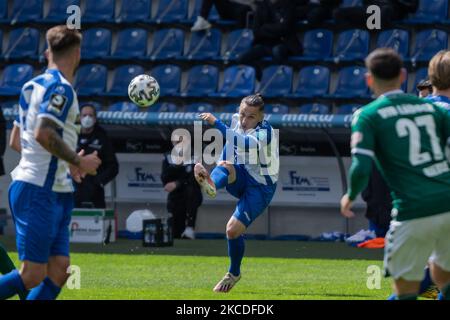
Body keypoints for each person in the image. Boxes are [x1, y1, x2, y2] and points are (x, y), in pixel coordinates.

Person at [0, 25, 101, 300]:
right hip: (38, 190)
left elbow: (16, 141)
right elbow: (44, 133)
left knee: (59, 270)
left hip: (52, 187)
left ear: (48, 52)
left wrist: (63, 164)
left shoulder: (31, 86)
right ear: (78, 54)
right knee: (32, 274)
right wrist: (77, 161)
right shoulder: (62, 89)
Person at [341, 48, 450, 300]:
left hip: (412, 209)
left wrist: (349, 196)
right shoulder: (437, 112)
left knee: (406, 291)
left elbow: (361, 167)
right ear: (403, 75)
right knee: (442, 278)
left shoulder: (368, 115)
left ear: (369, 79)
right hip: (446, 203)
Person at [195, 94, 279, 293]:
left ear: (261, 117)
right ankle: (212, 184)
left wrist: (216, 123)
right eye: (242, 114)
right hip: (241, 175)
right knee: (225, 163)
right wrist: (217, 173)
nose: (243, 120)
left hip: (261, 187)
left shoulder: (266, 132)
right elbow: (229, 148)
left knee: (232, 230)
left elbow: (243, 143)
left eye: (250, 117)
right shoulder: (236, 121)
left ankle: (233, 273)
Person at [238, 0, 302, 80]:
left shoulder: (288, 6)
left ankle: (281, 80)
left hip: (284, 43)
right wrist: (274, 29)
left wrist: (265, 27)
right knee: (242, 59)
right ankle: (264, 79)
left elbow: (284, 28)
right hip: (265, 43)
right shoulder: (262, 6)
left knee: (277, 51)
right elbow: (256, 31)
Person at [74, 103, 119, 209]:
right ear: (79, 117)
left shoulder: (102, 137)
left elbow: (113, 167)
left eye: (90, 115)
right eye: (84, 115)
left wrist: (98, 182)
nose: (87, 118)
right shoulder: (72, 135)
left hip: (94, 192)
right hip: (73, 190)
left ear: (95, 118)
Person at [161, 137, 203, 239]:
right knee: (175, 232)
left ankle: (190, 227)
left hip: (191, 194)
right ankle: (177, 227)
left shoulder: (194, 156)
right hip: (176, 196)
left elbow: (194, 178)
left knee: (192, 190)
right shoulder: (168, 156)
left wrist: (177, 183)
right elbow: (164, 177)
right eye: (176, 141)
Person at [333, 0, 418, 29]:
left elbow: (413, 8)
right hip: (372, 9)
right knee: (338, 13)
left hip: (393, 9)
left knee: (384, 11)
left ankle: (376, 29)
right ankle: (354, 32)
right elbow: (365, 2)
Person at [191, 0, 257, 32]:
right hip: (230, 8)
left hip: (245, 10)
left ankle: (239, 35)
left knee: (244, 9)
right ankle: (202, 19)